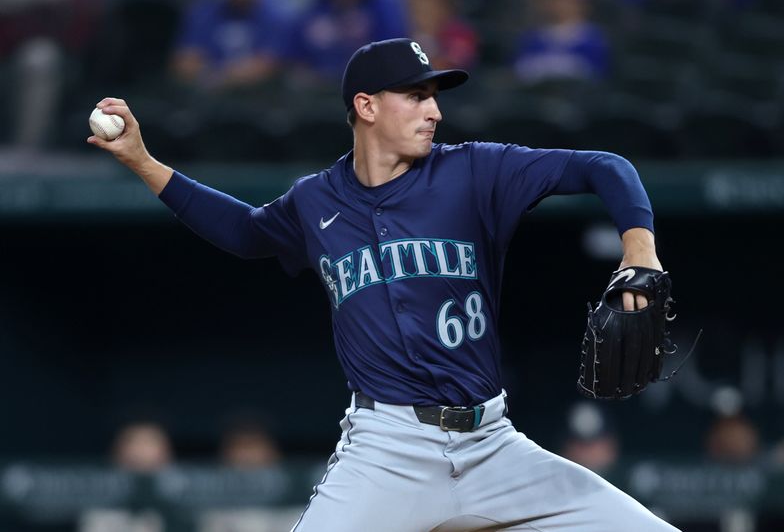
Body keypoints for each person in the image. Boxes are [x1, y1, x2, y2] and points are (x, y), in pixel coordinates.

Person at [88, 37, 677, 531]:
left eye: (435, 96)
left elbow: (604, 166)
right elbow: (244, 232)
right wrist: (142, 160)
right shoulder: (314, 200)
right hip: (389, 448)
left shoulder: (473, 169)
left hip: (493, 444)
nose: (435, 111)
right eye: (417, 95)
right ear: (366, 106)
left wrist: (639, 249)